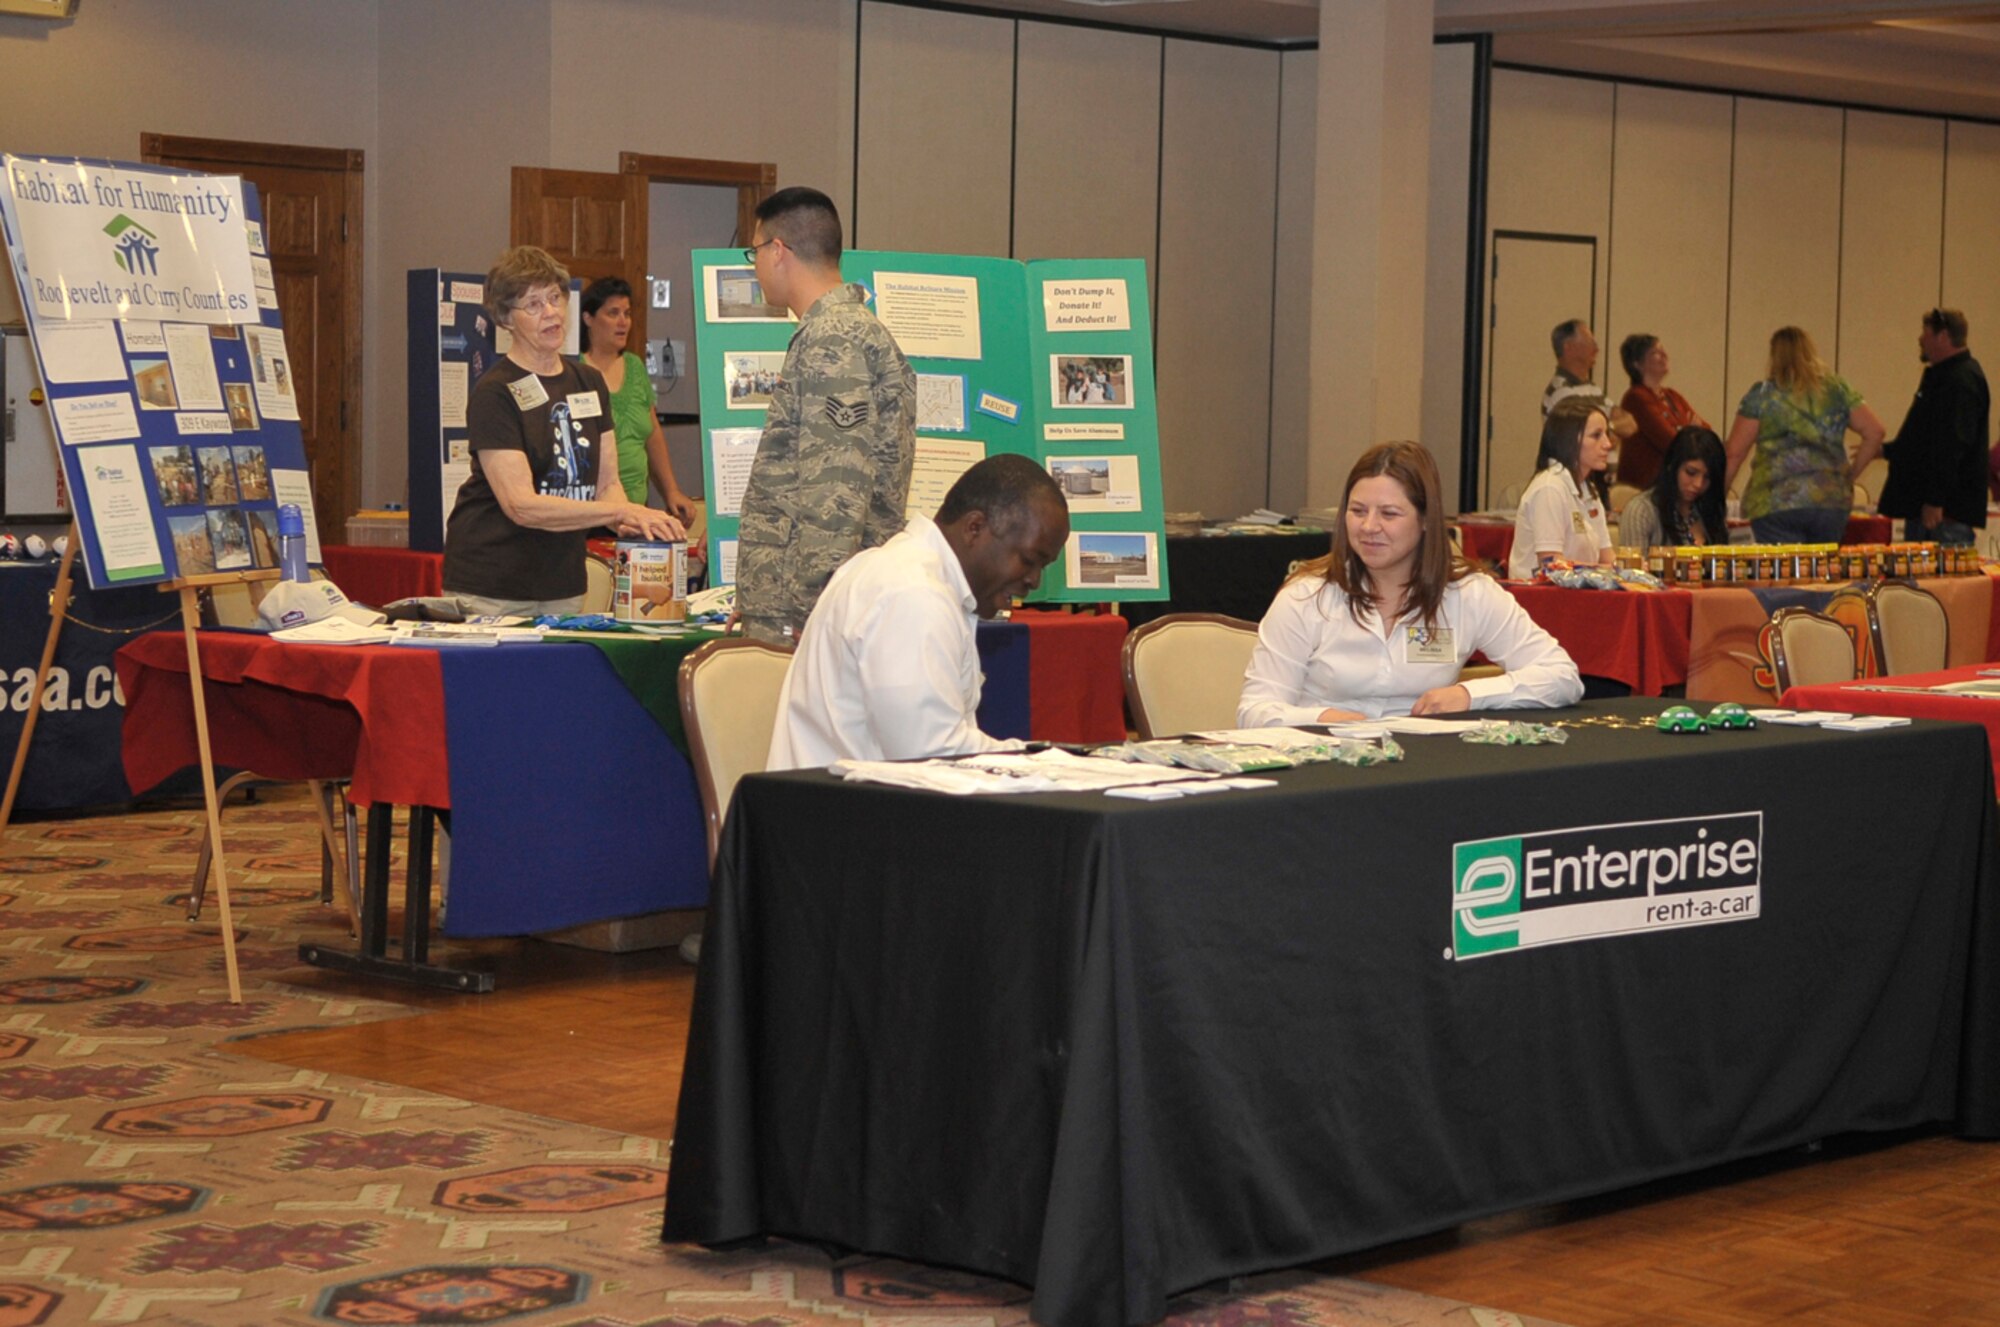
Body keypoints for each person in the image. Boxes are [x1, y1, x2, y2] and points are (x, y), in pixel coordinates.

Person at [1238, 441, 1580, 725]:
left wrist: (1468, 695)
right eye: (1358, 511)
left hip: (1422, 767)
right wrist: (1327, 719)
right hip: (1320, 763)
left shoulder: (1468, 593)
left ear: (1426, 521)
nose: (1369, 526)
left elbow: (1561, 676)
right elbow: (1254, 711)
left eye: (1389, 514)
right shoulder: (1306, 595)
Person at [767, 453, 1070, 769]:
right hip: (845, 810)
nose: (1034, 581)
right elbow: (932, 756)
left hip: (853, 801)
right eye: (1029, 560)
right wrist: (1047, 765)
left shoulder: (903, 572)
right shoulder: (912, 592)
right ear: (975, 527)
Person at [443, 246, 681, 617]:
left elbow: (607, 484)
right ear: (506, 318)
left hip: (563, 581)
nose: (550, 312)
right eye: (533, 304)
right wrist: (622, 512)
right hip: (495, 584)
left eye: (555, 298)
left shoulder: (588, 381)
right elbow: (521, 505)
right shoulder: (495, 391)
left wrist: (634, 521)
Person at [735, 186, 916, 645]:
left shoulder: (831, 340)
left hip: (808, 613)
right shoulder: (854, 331)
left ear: (778, 251)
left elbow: (836, 491)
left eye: (752, 251)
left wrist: (807, 610)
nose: (752, 265)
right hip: (819, 601)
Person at [1724, 326, 1886, 545]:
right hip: (1830, 502)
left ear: (1775, 356)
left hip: (1776, 502)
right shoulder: (1838, 390)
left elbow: (1734, 453)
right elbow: (1875, 432)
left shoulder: (1763, 395)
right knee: (1821, 573)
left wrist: (1717, 499)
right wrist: (1848, 476)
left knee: (1785, 575)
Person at [578, 276, 696, 529]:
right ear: (588, 318)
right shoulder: (575, 370)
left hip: (636, 510)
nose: (623, 322)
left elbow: (652, 434)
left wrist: (671, 491)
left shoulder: (634, 366)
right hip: (591, 514)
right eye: (613, 313)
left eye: (627, 313)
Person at [1879, 307, 1990, 546]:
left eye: (1925, 333)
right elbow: (1924, 438)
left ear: (1942, 336)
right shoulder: (1945, 377)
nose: (1920, 339)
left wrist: (1935, 500)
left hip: (1943, 515)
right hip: (1930, 510)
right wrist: (1886, 451)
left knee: (1941, 582)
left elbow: (1953, 444)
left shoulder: (1961, 381)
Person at [1508, 397, 1615, 579]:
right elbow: (1551, 565)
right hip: (1539, 599)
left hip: (1579, 595)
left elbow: (1607, 559)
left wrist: (1632, 570)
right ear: (1570, 441)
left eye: (1607, 434)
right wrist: (1600, 571)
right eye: (1596, 435)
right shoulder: (1550, 488)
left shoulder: (1588, 490)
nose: (1608, 444)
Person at [1616, 333, 1708, 489]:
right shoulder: (1636, 398)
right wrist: (1690, 429)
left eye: (1663, 350)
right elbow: (1670, 441)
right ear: (1637, 364)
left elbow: (1706, 432)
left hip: (1670, 485)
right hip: (1645, 488)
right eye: (1655, 353)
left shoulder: (1672, 396)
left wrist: (1686, 431)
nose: (1665, 355)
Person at [1617, 426, 1729, 552]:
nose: (1698, 484)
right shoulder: (1641, 511)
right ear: (1672, 466)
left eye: (1707, 477)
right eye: (1691, 472)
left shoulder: (1708, 509)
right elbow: (1633, 570)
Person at [1542, 318, 1637, 440]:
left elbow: (1630, 424)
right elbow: (1585, 435)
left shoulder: (1593, 388)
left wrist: (1608, 427)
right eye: (1589, 342)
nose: (1596, 349)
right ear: (1569, 347)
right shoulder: (1561, 392)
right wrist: (1609, 429)